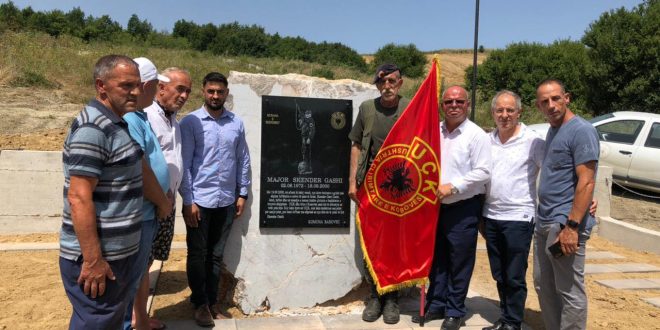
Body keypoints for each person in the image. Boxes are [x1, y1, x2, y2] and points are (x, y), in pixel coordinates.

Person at [59, 54, 145, 329]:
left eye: (139, 84)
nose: (136, 92)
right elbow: (79, 197)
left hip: (118, 255)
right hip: (100, 260)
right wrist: (94, 260)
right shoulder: (92, 128)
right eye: (127, 85)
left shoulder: (116, 123)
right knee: (97, 321)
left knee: (108, 320)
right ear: (101, 86)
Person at [415, 85, 491, 330]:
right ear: (442, 105)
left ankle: (455, 309)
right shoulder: (432, 130)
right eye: (449, 102)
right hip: (433, 208)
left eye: (459, 102)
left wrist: (454, 186)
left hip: (462, 206)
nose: (454, 106)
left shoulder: (476, 135)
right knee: (436, 258)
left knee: (459, 260)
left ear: (468, 105)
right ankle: (437, 302)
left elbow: (483, 171)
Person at [179, 72, 251, 327]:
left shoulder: (236, 123)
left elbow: (243, 159)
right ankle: (199, 303)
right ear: (203, 91)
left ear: (226, 92)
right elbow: (184, 165)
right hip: (199, 201)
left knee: (216, 255)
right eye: (211, 91)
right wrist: (188, 201)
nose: (215, 96)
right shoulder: (190, 123)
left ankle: (212, 302)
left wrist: (242, 193)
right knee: (197, 254)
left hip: (226, 201)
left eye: (220, 92)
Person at [533, 79, 599, 330]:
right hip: (545, 221)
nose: (551, 105)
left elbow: (586, 180)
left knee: (569, 290)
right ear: (538, 106)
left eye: (556, 98)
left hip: (564, 224)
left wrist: (572, 226)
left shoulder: (581, 130)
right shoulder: (553, 129)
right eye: (544, 101)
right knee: (544, 285)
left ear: (567, 98)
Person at [348, 63, 410, 324]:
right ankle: (375, 295)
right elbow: (357, 146)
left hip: (402, 188)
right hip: (371, 188)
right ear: (376, 85)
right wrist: (353, 180)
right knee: (372, 243)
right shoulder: (367, 109)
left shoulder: (409, 108)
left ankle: (392, 297)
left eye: (392, 81)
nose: (387, 86)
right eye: (382, 82)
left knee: (396, 244)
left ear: (400, 83)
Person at [480, 90, 544, 330]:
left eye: (510, 110)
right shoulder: (487, 140)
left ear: (519, 112)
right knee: (499, 272)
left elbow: (553, 170)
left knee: (514, 274)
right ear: (493, 112)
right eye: (500, 110)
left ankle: (513, 322)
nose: (504, 115)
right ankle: (505, 317)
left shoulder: (533, 141)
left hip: (519, 217)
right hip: (491, 216)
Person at [122, 57, 174, 330]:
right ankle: (130, 322)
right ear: (146, 85)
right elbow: (140, 166)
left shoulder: (140, 115)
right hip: (140, 212)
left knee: (141, 271)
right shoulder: (131, 118)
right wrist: (162, 201)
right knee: (131, 274)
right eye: (155, 85)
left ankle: (139, 320)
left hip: (148, 211)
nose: (157, 92)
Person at [142, 67, 193, 329]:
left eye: (187, 91)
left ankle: (137, 313)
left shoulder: (175, 120)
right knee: (141, 258)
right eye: (179, 89)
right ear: (161, 87)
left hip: (168, 203)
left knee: (150, 258)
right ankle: (134, 314)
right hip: (149, 203)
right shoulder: (146, 117)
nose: (184, 95)